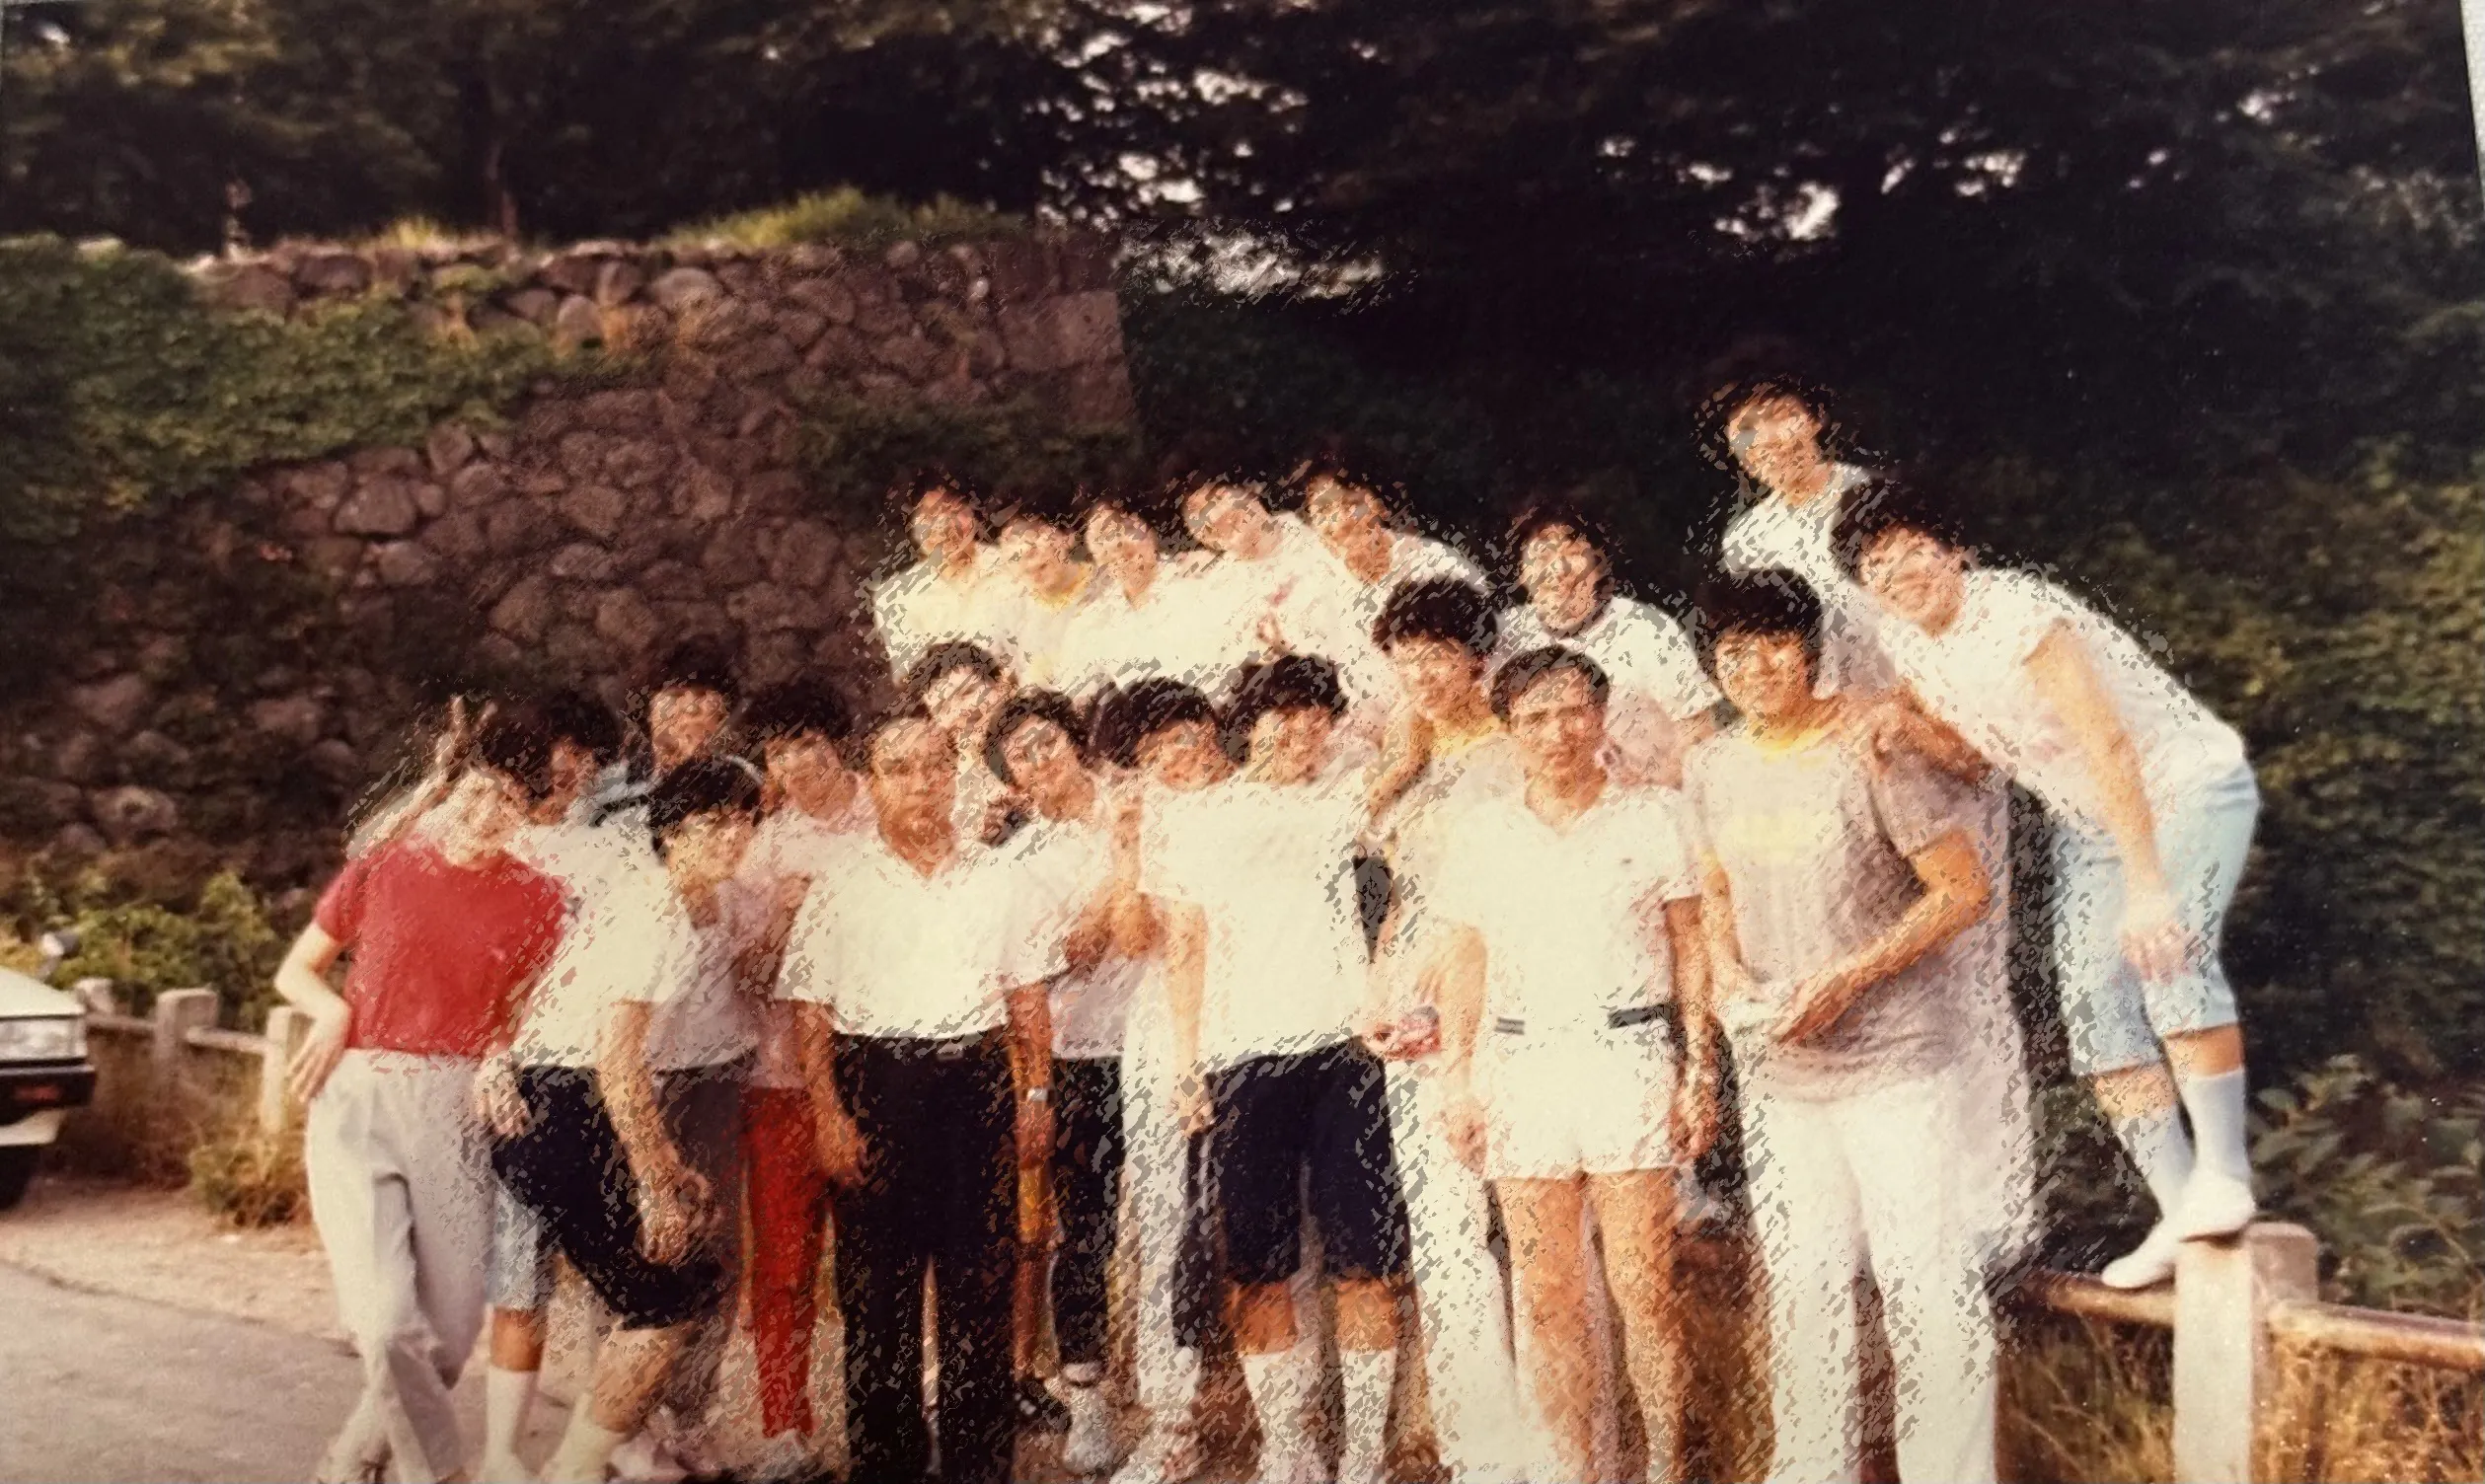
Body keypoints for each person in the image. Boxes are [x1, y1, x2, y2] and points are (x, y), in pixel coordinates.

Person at [1836, 482, 2263, 1290]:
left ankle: (2225, 1178)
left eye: (1913, 548)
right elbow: (1974, 761)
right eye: (1875, 564)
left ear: (1955, 550)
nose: (1897, 571)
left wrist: (2147, 887)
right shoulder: (1907, 642)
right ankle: (2180, 1210)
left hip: (2185, 788)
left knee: (2168, 958)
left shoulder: (2019, 612)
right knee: (2095, 1009)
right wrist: (1905, 727)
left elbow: (2108, 743)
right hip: (2091, 818)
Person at [1712, 377, 2038, 1274]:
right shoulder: (1749, 539)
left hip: (1926, 743)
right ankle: (1864, 1215)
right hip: (1833, 765)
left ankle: (1998, 1214)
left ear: (1814, 415)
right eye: (1747, 432)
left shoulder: (1878, 504)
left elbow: (1935, 627)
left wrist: (1912, 720)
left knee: (1966, 969)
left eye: (1781, 415)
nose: (1771, 439)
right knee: (1859, 969)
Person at [1683, 573, 2001, 1484]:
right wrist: (1729, 977)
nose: (1755, 666)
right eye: (1733, 651)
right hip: (1783, 1071)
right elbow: (1713, 894)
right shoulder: (1712, 766)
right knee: (1803, 1285)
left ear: (1810, 651)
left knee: (1924, 1281)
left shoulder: (1869, 748)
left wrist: (1850, 977)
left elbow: (1963, 892)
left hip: (1895, 1060)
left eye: (1774, 644)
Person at [1421, 647, 1714, 1484]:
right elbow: (1465, 958)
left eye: (1572, 712)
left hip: (1628, 1057)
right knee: (1547, 1299)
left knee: (1645, 1290)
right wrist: (1457, 1078)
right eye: (1536, 718)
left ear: (1600, 715)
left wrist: (1699, 1072)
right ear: (1510, 729)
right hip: (1520, 1066)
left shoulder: (1655, 816)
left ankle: (1665, 1468)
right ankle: (1571, 1470)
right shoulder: (1482, 831)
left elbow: (1692, 945)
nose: (1557, 733)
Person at [276, 710, 569, 1484]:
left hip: (457, 1107)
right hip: (360, 1095)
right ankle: (440, 1475)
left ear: (532, 812)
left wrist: (501, 1055)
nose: (487, 809)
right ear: (453, 788)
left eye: (510, 799)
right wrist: (332, 1013)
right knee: (384, 1324)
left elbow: (530, 1012)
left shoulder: (540, 900)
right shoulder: (386, 865)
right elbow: (297, 970)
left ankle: (352, 1460)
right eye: (478, 789)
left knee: (447, 1337)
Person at [778, 707, 1065, 1484]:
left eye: (936, 766)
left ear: (955, 777)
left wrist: (1037, 1093)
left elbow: (1028, 996)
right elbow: (812, 1009)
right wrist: (829, 1113)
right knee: (878, 1295)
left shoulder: (999, 877)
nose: (920, 784)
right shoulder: (842, 884)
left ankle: (977, 1466)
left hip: (976, 1085)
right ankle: (887, 1465)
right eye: (899, 769)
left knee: (980, 1285)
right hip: (877, 1087)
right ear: (872, 783)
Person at [1155, 655, 1411, 1484]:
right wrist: (1187, 1064)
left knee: (1365, 1267)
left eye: (1314, 714)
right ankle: (1288, 1448)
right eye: (1280, 713)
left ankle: (1364, 1454)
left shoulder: (1343, 802)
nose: (1298, 730)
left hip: (1346, 1056)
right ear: (1247, 723)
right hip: (1239, 1061)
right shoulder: (1198, 818)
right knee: (1256, 1270)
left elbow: (1410, 744)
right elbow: (1185, 945)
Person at [486, 760, 767, 1484]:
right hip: (562, 1106)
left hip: (571, 1100)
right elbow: (616, 1061)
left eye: (745, 821)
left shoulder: (671, 903)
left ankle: (576, 1465)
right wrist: (652, 1184)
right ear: (672, 833)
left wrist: (665, 1165)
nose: (733, 836)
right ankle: (573, 1471)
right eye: (713, 823)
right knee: (665, 1300)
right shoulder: (655, 913)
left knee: (671, 1291)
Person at [1355, 578, 1536, 1484]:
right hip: (1418, 1011)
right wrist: (1378, 990)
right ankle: (1480, 1448)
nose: (1422, 673)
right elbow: (1397, 895)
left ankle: (1558, 1440)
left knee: (1536, 1224)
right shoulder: (1411, 755)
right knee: (1443, 1230)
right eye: (1406, 658)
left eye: (1438, 654)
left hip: (1513, 1004)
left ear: (1477, 656)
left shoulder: (1519, 747)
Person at [987, 691, 1149, 1475]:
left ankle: (1172, 1409)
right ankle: (1088, 1403)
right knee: (1085, 1234)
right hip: (1082, 1055)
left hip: (1164, 1043)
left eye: (1047, 740)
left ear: (1076, 740)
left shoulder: (1144, 804)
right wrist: (1123, 868)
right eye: (1020, 755)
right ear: (1010, 780)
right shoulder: (1021, 861)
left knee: (1173, 1227)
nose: (1039, 759)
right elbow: (1076, 950)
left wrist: (1127, 850)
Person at [476, 690, 630, 1484]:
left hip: (598, 1076)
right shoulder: (492, 845)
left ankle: (606, 1442)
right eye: (555, 750)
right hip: (511, 1077)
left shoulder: (610, 853)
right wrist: (492, 1051)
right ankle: (501, 1452)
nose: (569, 767)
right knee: (518, 1272)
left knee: (611, 1273)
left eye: (585, 753)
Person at [1092, 680, 1236, 1484]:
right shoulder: (1154, 821)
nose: (1177, 761)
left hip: (1261, 1025)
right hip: (1162, 1035)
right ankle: (1170, 1423)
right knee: (1163, 1220)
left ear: (1211, 726)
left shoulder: (1258, 799)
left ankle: (1292, 1426)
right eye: (1153, 755)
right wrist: (1126, 851)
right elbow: (1132, 937)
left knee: (1278, 1226)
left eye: (1183, 737)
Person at [732, 680, 874, 1477]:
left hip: (880, 1065)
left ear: (837, 743)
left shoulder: (883, 814)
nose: (795, 764)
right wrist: (782, 917)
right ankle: (785, 1427)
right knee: (785, 1263)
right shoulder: (764, 848)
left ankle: (880, 1423)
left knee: (878, 1258)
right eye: (779, 752)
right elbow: (746, 976)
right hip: (782, 1077)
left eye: (807, 744)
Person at [1499, 502, 1719, 788]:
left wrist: (1656, 784)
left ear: (1598, 563)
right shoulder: (1509, 634)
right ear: (1521, 573)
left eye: (1573, 553)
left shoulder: (1647, 629)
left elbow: (1699, 730)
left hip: (1648, 792)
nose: (1558, 569)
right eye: (1541, 556)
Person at [1299, 465, 1487, 726]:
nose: (1339, 521)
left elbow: (1487, 656)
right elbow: (1361, 701)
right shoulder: (1326, 601)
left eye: (1349, 504)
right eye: (1322, 511)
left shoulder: (1437, 564)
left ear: (1377, 504)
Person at [1055, 500, 1233, 705]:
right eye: (1099, 538)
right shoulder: (1093, 619)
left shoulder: (1201, 576)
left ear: (1147, 527)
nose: (1113, 545)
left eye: (1120, 529)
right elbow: (1076, 694)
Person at [871, 476, 1020, 682]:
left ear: (975, 514)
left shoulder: (1014, 567)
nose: (943, 526)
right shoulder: (895, 597)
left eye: (954, 510)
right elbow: (912, 679)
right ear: (911, 527)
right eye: (929, 516)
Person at [906, 640, 1027, 852]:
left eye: (966, 693)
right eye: (942, 709)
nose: (959, 713)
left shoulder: (1054, 731)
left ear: (1001, 685)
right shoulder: (965, 796)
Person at [994, 504, 1098, 690]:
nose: (1025, 551)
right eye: (1010, 541)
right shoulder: (1012, 613)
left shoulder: (1108, 590)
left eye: (1035, 534)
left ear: (1067, 535)